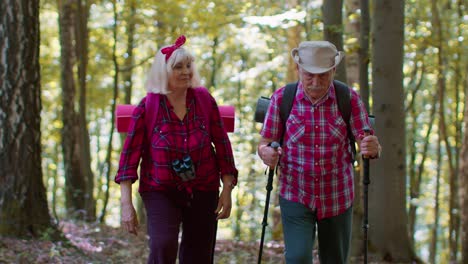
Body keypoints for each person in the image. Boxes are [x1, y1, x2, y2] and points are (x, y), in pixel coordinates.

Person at [115, 35, 238, 264]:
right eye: (178, 67)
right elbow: (129, 159)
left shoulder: (203, 99)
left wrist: (227, 189)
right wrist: (126, 204)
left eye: (189, 66)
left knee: (199, 254)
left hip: (203, 186)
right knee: (163, 245)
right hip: (160, 188)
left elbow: (222, 144)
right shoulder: (148, 106)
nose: (186, 72)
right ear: (163, 73)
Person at [257, 40, 381, 264]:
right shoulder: (282, 98)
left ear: (333, 70)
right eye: (309, 75)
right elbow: (265, 142)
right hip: (295, 193)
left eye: (323, 75)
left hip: (337, 196)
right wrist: (266, 153)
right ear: (298, 70)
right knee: (297, 258)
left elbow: (367, 141)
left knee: (334, 260)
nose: (315, 82)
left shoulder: (349, 99)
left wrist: (373, 147)